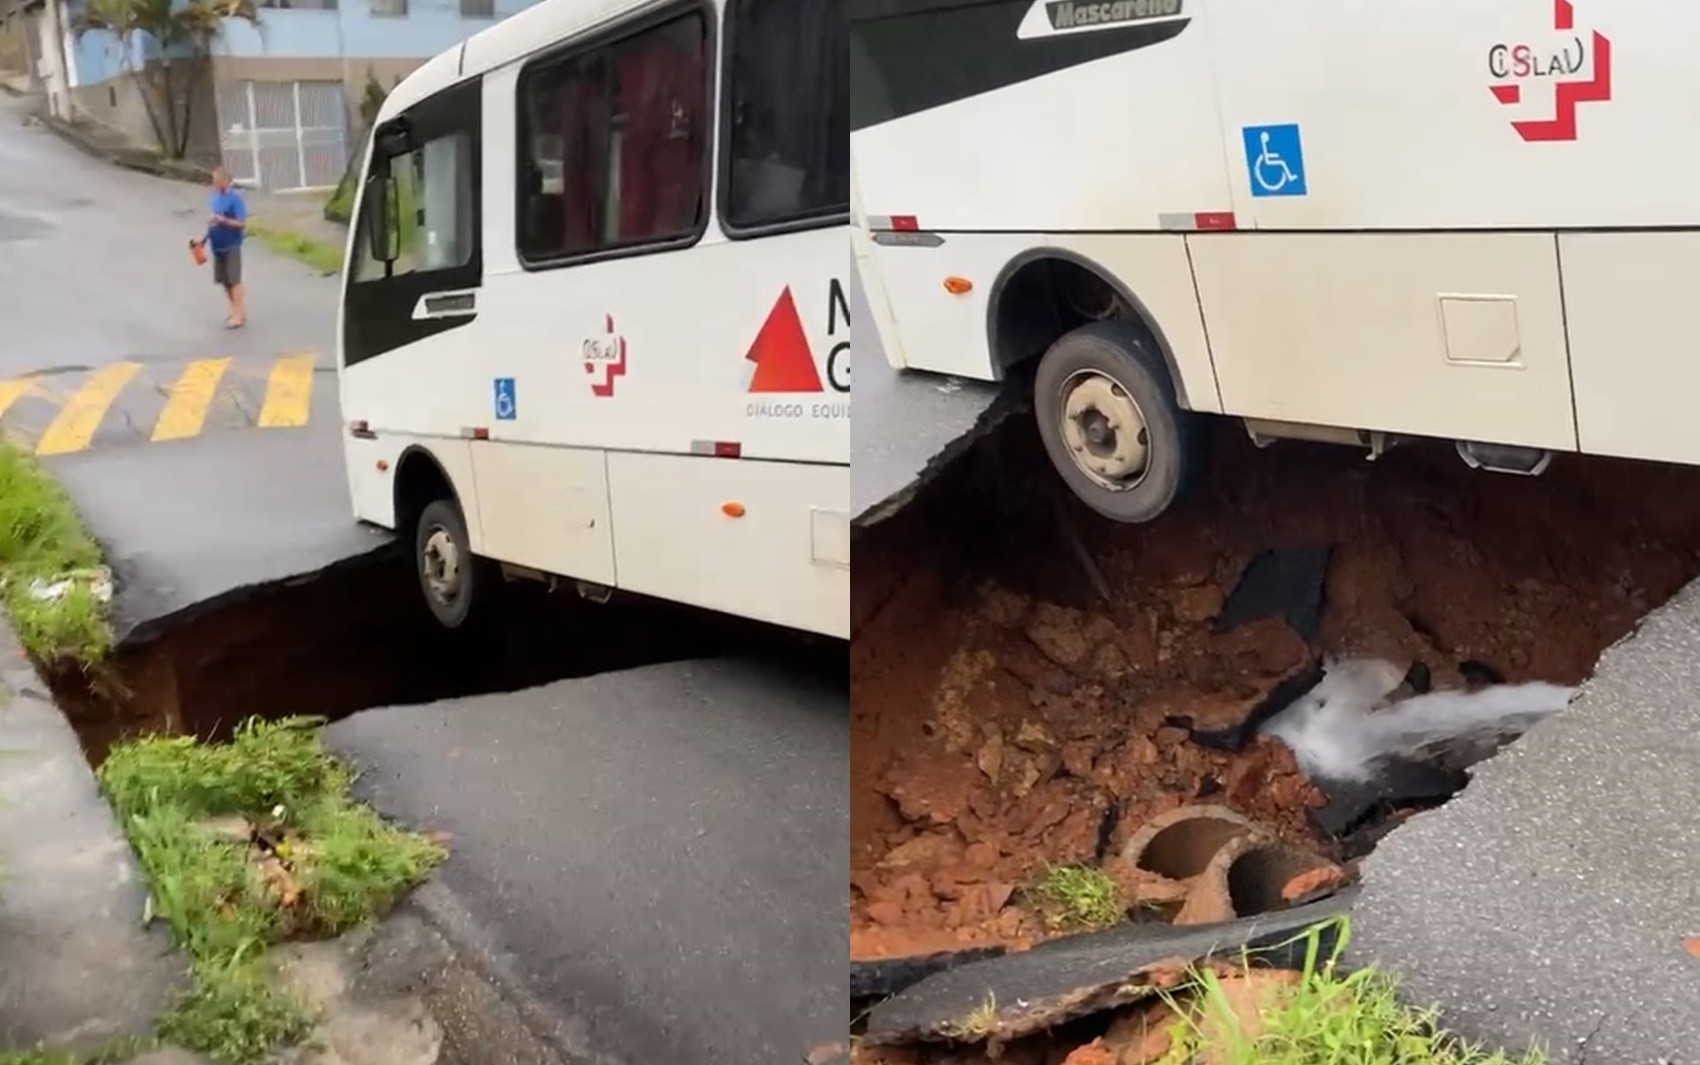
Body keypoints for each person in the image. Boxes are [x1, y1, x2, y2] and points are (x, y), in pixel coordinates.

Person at [192, 167, 248, 329]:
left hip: (232, 243)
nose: (214, 184)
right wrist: (202, 240)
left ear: (226, 181)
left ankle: (238, 315)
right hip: (218, 245)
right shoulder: (214, 197)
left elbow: (241, 223)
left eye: (217, 181)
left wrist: (222, 219)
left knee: (234, 280)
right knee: (224, 281)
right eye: (213, 180)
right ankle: (236, 309)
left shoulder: (235, 199)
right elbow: (213, 222)